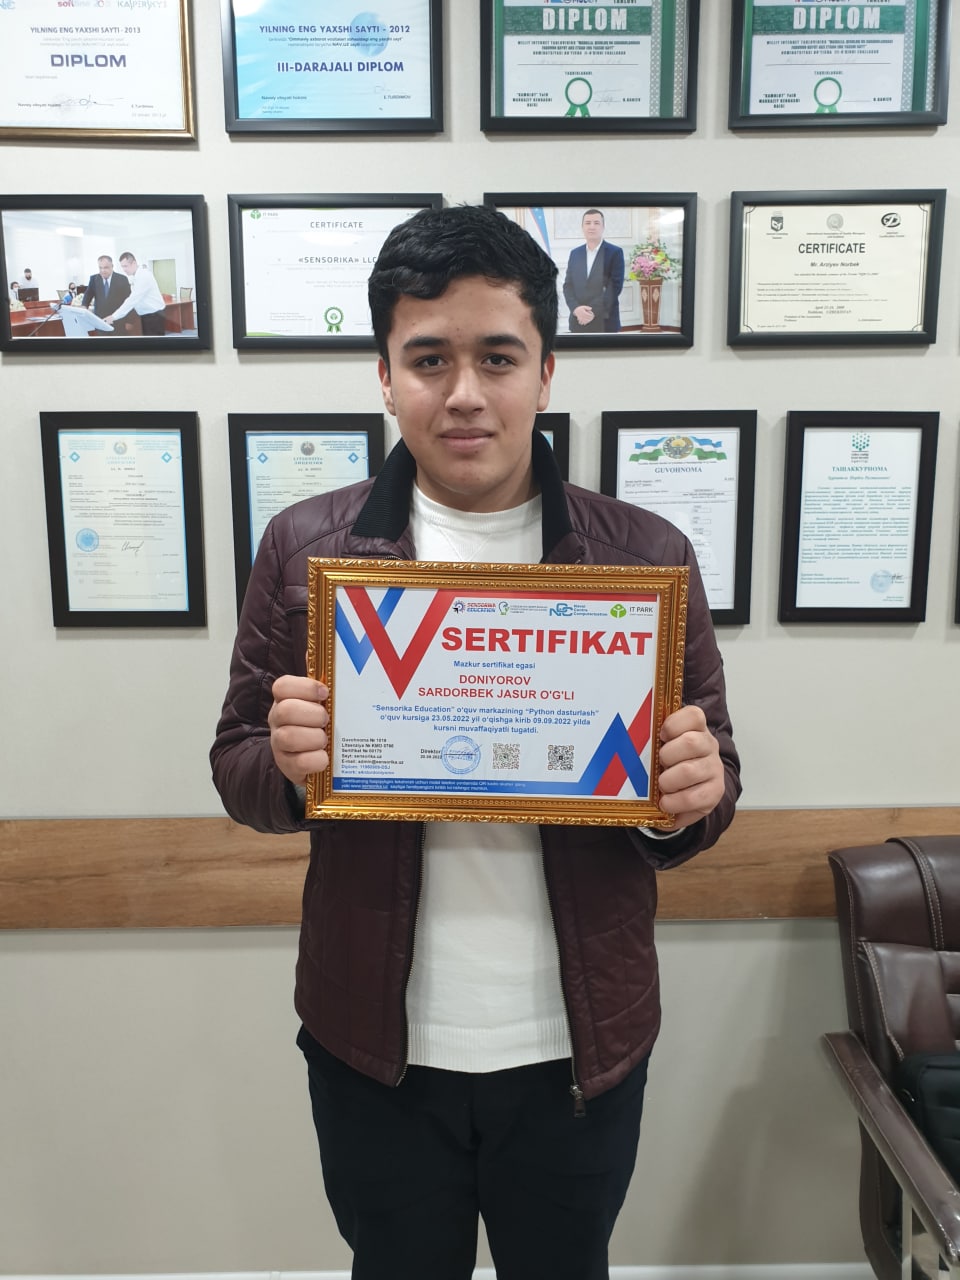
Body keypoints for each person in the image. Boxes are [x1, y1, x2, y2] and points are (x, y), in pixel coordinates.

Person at [210, 204, 740, 1280]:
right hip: (375, 1043)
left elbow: (707, 783)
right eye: (428, 359)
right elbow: (237, 765)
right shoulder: (306, 548)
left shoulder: (643, 554)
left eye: (497, 357)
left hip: (578, 1043)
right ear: (384, 375)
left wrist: (687, 794)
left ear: (546, 373)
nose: (463, 392)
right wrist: (293, 768)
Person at [562, 208, 625, 333]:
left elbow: (614, 288)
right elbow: (568, 286)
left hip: (605, 322)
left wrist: (590, 312)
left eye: (596, 223)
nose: (592, 227)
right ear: (582, 227)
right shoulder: (575, 253)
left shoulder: (615, 252)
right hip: (577, 320)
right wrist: (576, 309)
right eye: (588, 223)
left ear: (603, 227)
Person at [103, 251, 166, 335]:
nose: (124, 269)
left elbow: (132, 300)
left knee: (154, 341)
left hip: (154, 316)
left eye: (126, 266)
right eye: (122, 266)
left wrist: (113, 317)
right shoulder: (135, 276)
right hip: (147, 315)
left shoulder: (144, 276)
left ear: (134, 263)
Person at [81, 255, 131, 329]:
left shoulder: (122, 279)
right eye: (100, 268)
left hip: (118, 321)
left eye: (106, 267)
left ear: (112, 266)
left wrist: (129, 321)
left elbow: (128, 301)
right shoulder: (94, 279)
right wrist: (84, 306)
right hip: (100, 321)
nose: (103, 271)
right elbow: (88, 295)